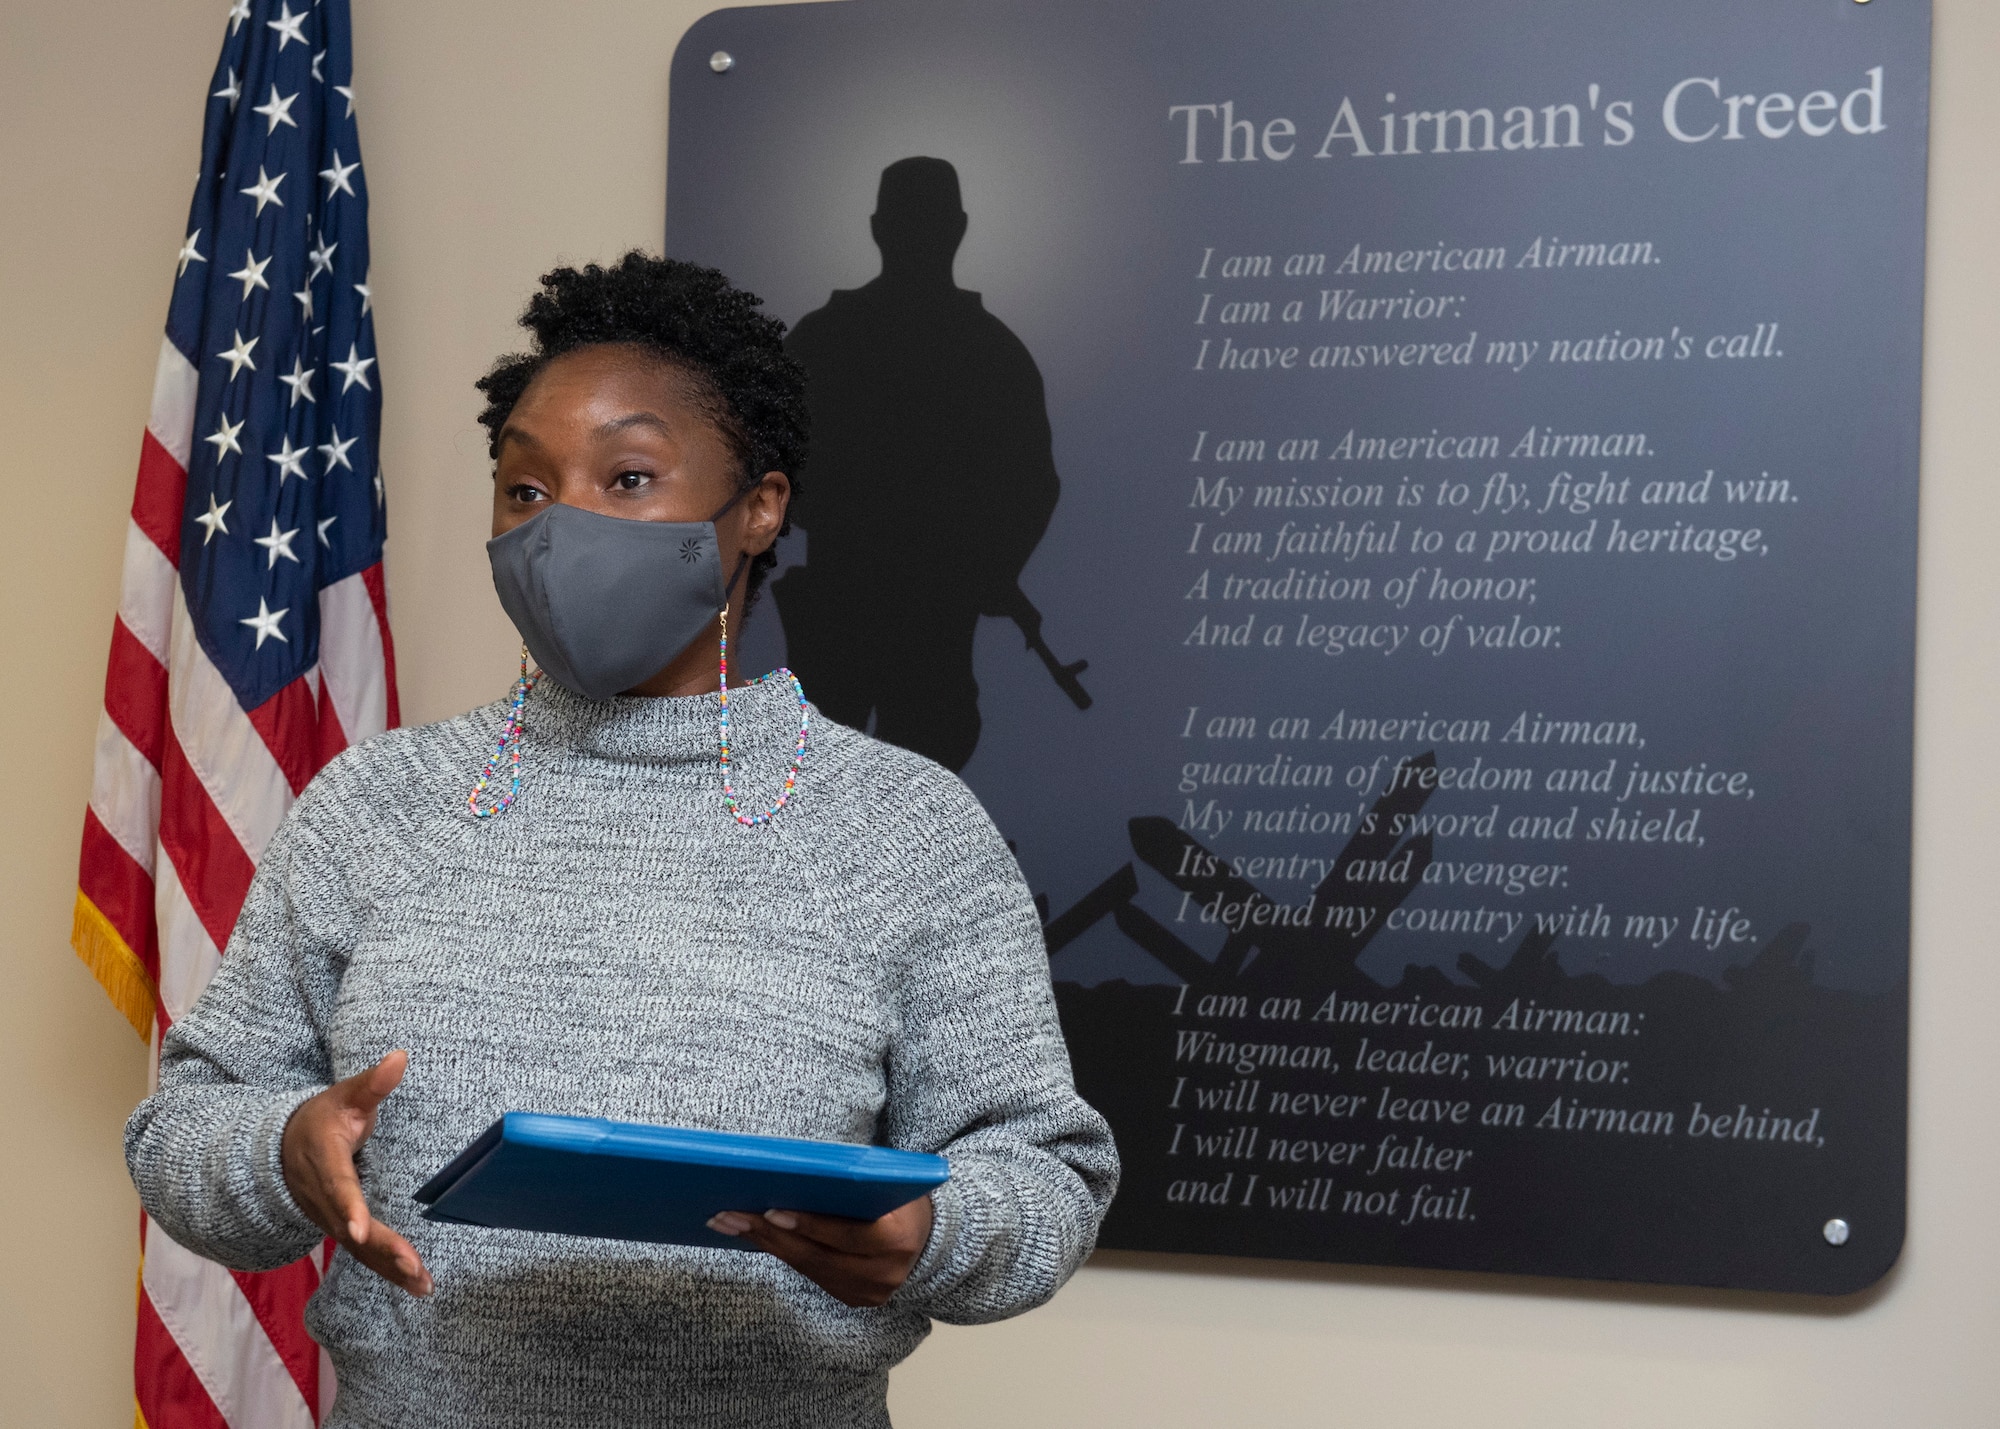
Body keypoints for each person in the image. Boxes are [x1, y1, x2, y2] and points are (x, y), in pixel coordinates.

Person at [125, 252, 1118, 1429]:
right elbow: (186, 1122)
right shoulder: (379, 802)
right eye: (526, 491)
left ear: (759, 507)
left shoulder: (906, 828)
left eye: (630, 476)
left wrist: (938, 1232)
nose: (560, 531)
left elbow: (1046, 1175)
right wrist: (282, 1144)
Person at [778, 157, 1063, 771]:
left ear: (879, 227)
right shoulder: (991, 351)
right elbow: (1033, 485)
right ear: (958, 227)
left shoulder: (821, 339)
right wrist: (990, 565)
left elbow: (768, 468)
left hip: (865, 607)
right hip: (911, 612)